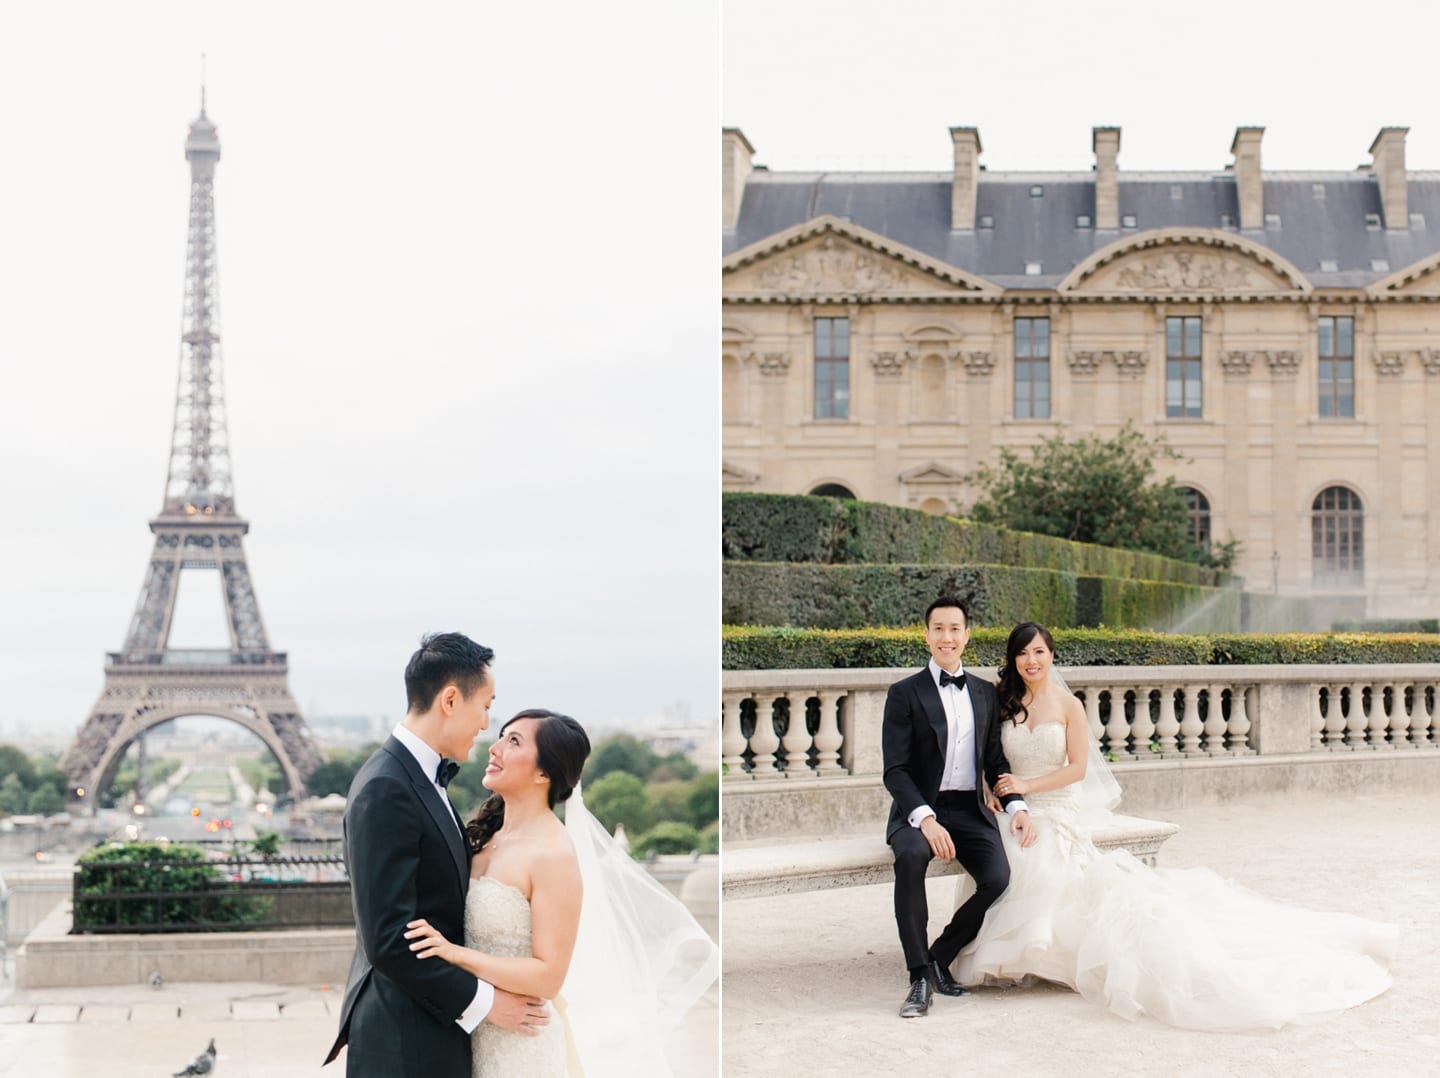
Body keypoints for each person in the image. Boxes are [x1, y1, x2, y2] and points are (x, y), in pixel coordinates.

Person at [951, 621, 1398, 1031]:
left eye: (1040, 653)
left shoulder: (1068, 705)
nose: (1032, 661)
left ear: (1052, 656)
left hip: (1057, 804)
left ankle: (1043, 955)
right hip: (1017, 806)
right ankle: (1023, 952)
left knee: (1042, 857)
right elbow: (993, 758)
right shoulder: (1003, 701)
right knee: (1007, 851)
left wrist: (1029, 784)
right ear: (1012, 659)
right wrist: (1002, 793)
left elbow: (1078, 769)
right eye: (1023, 654)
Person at [405, 709, 719, 1076]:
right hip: (468, 1032)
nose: (496, 747)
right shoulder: (484, 836)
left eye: (514, 741)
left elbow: (549, 976)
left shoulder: (553, 854)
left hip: (521, 1047)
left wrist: (454, 954)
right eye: (502, 736)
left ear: (544, 773)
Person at [325, 633, 548, 1077]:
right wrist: (487, 1004)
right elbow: (388, 938)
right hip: (405, 1037)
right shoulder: (387, 787)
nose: (487, 724)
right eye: (485, 705)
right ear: (450, 699)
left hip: (425, 1026)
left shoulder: (417, 778)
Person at [881, 596, 1035, 1019]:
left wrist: (1017, 804)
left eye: (954, 629)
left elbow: (996, 763)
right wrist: (925, 820)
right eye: (938, 629)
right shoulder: (904, 694)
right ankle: (917, 977)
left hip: (969, 809)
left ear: (967, 635)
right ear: (926, 634)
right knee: (911, 857)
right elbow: (895, 771)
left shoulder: (985, 693)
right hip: (919, 811)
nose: (946, 637)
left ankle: (938, 956)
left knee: (998, 877)